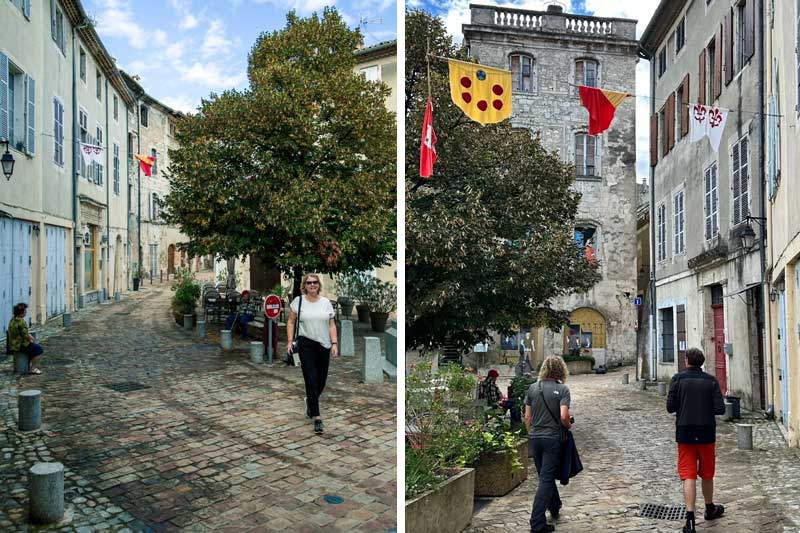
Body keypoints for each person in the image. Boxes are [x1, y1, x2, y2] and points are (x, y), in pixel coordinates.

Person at [666, 347, 726, 533]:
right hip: (706, 432)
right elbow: (720, 409)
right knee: (707, 473)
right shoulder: (711, 381)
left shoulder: (677, 380)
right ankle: (709, 508)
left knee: (688, 474)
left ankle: (690, 519)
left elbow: (670, 407)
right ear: (702, 362)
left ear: (686, 362)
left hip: (685, 432)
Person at [286, 274, 339, 434]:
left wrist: (334, 343)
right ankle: (316, 417)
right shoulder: (298, 302)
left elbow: (331, 324)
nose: (312, 285)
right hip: (306, 344)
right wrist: (289, 341)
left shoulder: (326, 303)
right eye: (309, 283)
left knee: (321, 380)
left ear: (319, 284)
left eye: (315, 282)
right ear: (304, 285)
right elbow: (290, 322)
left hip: (324, 345)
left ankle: (310, 400)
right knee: (311, 379)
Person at [525, 356, 572, 533]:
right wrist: (568, 426)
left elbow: (527, 417)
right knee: (546, 478)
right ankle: (537, 523)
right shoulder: (562, 390)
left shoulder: (532, 388)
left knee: (545, 474)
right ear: (561, 370)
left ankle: (554, 505)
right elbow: (563, 416)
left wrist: (531, 434)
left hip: (536, 438)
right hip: (552, 439)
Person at [7, 303, 44, 374]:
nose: (26, 312)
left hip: (13, 344)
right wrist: (31, 338)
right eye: (25, 311)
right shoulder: (21, 321)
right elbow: (25, 334)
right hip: (20, 345)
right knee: (38, 349)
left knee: (32, 349)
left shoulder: (13, 320)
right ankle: (32, 368)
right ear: (22, 312)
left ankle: (27, 365)